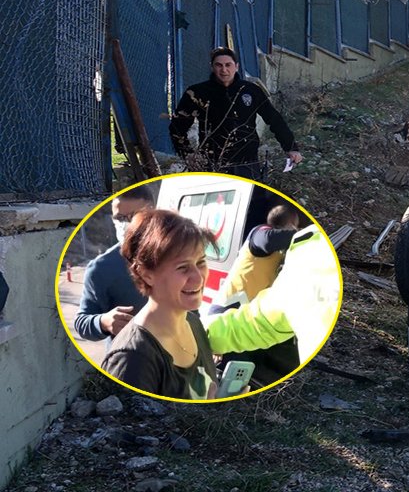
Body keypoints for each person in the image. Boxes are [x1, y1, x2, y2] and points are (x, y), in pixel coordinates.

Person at [101, 210, 220, 399]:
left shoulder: (192, 322)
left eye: (201, 262)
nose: (198, 278)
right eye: (182, 268)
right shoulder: (132, 356)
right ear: (146, 274)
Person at [204, 224, 342, 372]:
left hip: (243, 316)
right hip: (228, 311)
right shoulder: (257, 234)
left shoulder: (296, 266)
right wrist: (296, 234)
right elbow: (267, 239)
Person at [169, 47, 303, 181]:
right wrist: (187, 154)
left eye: (228, 65)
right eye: (218, 65)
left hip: (247, 163)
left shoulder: (251, 91)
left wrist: (291, 147)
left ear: (237, 66)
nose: (224, 70)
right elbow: (177, 126)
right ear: (212, 67)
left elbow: (274, 119)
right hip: (213, 163)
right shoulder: (197, 93)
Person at [73, 185, 153, 342]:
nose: (126, 224)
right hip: (129, 360)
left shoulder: (172, 254)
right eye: (119, 218)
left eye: (134, 216)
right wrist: (103, 322)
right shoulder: (101, 268)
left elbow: (190, 309)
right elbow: (82, 321)